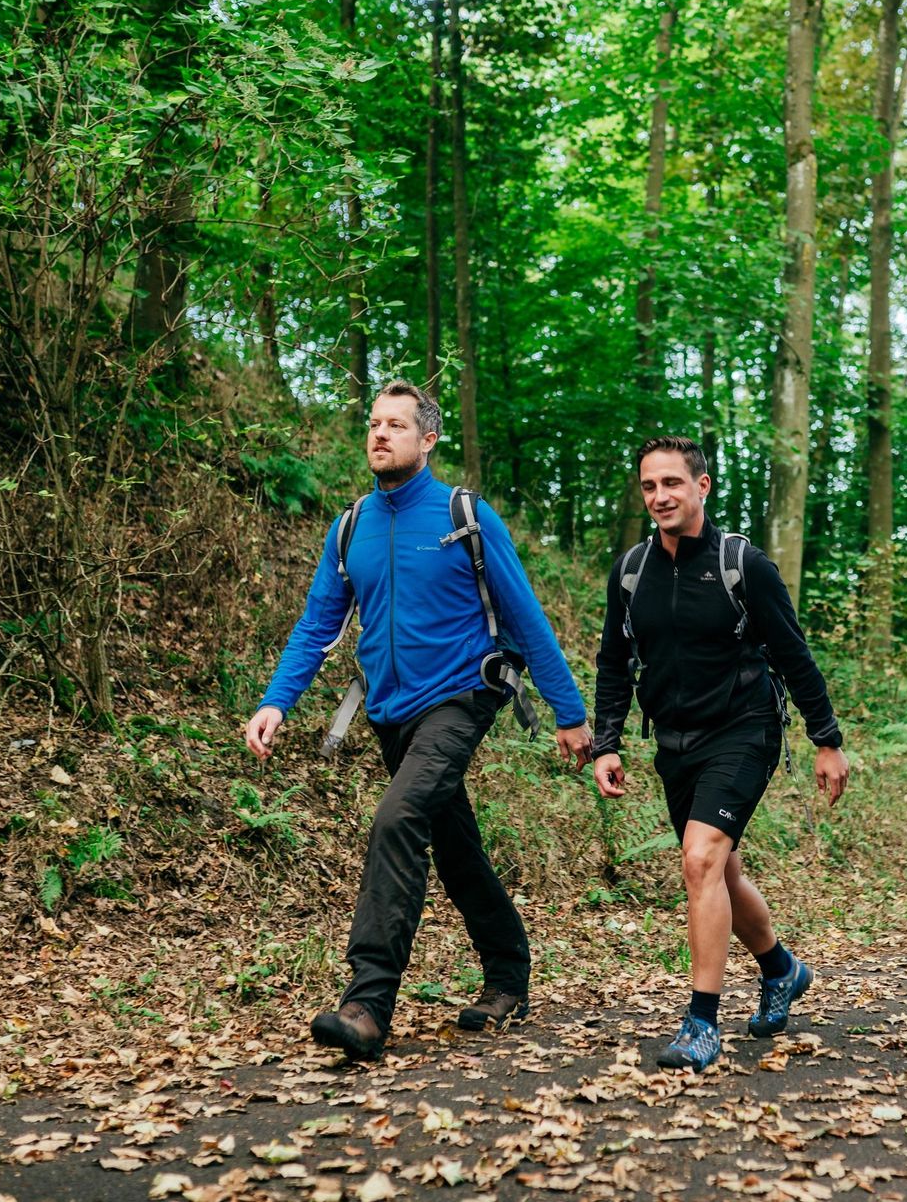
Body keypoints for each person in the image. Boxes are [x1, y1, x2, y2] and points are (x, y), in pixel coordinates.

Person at [244, 381, 593, 1061]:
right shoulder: (350, 527)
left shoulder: (464, 514)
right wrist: (276, 700)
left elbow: (524, 615)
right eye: (373, 423)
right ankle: (508, 974)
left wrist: (571, 712)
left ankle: (368, 1003)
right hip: (389, 712)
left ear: (427, 438)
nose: (379, 434)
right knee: (452, 841)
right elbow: (318, 624)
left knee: (397, 817)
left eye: (395, 425)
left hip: (463, 695)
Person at [591, 436, 850, 1073]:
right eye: (649, 486)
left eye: (672, 484)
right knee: (722, 872)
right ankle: (781, 968)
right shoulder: (632, 572)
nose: (660, 497)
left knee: (702, 860)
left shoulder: (743, 565)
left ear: (701, 487)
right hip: (674, 741)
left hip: (744, 728)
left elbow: (793, 653)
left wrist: (827, 739)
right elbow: (614, 661)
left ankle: (701, 1023)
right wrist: (607, 741)